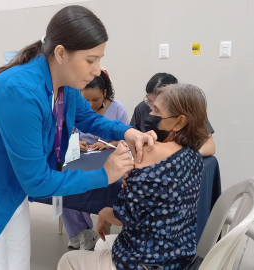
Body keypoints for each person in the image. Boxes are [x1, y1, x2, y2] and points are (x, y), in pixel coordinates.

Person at [0, 6, 155, 270]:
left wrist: (127, 131)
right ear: (60, 53)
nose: (98, 70)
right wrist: (105, 174)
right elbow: (36, 181)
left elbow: (89, 118)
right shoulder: (21, 92)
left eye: (99, 60)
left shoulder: (65, 85)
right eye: (91, 60)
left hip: (11, 191)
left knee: (18, 263)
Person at [58, 83, 209, 270]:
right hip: (181, 254)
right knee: (101, 245)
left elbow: (122, 216)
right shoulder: (194, 156)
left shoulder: (146, 155)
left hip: (145, 261)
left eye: (156, 110)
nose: (150, 114)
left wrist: (105, 213)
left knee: (67, 260)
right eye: (150, 106)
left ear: (179, 122)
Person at [64, 69, 130, 250]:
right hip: (82, 157)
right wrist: (76, 142)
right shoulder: (75, 108)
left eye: (96, 100)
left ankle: (94, 228)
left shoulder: (118, 108)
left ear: (105, 93)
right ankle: (80, 232)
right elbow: (66, 133)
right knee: (69, 185)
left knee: (104, 185)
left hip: (107, 157)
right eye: (86, 101)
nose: (91, 105)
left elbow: (124, 137)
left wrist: (110, 144)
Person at [131, 73, 216, 156]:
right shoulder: (141, 108)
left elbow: (210, 147)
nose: (151, 109)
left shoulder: (191, 112)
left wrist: (177, 154)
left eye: (157, 108)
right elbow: (130, 138)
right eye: (149, 101)